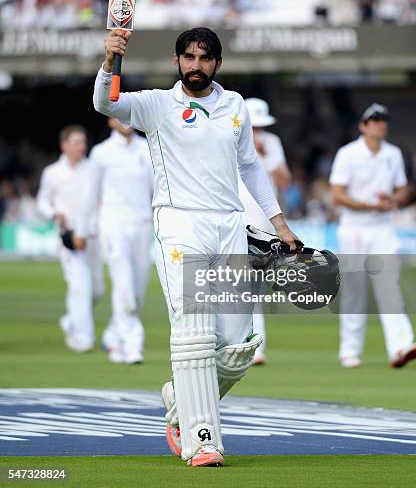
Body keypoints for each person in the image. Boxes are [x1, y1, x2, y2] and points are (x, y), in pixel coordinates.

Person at [93, 27, 301, 467]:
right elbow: (106, 103)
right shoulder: (155, 105)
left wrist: (280, 224)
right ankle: (202, 440)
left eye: (204, 58)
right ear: (176, 61)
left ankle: (179, 399)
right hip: (179, 224)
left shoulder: (235, 106)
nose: (195, 65)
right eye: (188, 57)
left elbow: (250, 167)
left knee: (239, 346)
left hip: (230, 226)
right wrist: (110, 61)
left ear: (217, 65)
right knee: (194, 331)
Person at [329, 103, 416, 369]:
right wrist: (370, 205)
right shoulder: (348, 154)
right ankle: (349, 350)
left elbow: (403, 189)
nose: (381, 124)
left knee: (389, 288)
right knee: (355, 291)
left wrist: (393, 199)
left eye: (383, 120)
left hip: (382, 229)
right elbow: (337, 194)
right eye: (375, 120)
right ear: (363, 126)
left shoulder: (392, 154)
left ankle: (401, 346)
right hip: (354, 228)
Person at [75, 117, 154, 365]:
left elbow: (159, 189)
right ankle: (132, 345)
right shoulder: (101, 153)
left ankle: (113, 335)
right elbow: (90, 194)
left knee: (138, 288)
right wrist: (81, 229)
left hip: (142, 224)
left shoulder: (148, 148)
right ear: (110, 120)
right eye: (120, 116)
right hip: (112, 223)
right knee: (124, 285)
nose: (126, 121)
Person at [36, 125, 104, 352]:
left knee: (96, 289)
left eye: (83, 142)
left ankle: (70, 321)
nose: (80, 147)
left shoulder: (93, 170)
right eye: (75, 142)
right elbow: (42, 202)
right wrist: (53, 213)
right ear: (64, 145)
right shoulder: (52, 172)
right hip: (69, 236)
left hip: (94, 234)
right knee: (80, 286)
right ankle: (82, 338)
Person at [239, 98, 291, 365]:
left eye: (260, 127)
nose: (257, 132)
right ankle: (234, 342)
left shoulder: (272, 144)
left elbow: (285, 180)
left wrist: (265, 156)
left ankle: (255, 346)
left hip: (263, 225)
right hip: (235, 220)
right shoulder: (229, 140)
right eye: (253, 127)